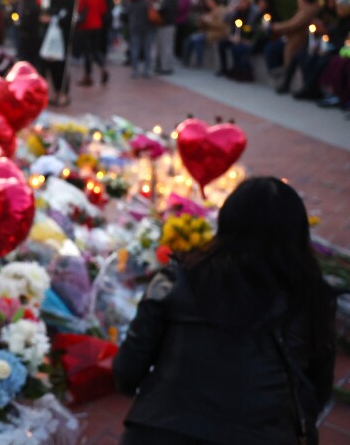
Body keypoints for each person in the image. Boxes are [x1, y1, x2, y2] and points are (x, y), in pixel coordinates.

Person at [114, 176, 336, 445]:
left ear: (226, 222)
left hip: (160, 432)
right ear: (299, 234)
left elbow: (126, 372)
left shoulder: (179, 279)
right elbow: (316, 391)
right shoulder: (313, 298)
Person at [272, 0, 321, 94]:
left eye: (300, 0)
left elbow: (294, 23)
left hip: (301, 39)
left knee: (292, 57)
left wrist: (277, 26)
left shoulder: (308, 11)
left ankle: (299, 86)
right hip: (296, 38)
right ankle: (287, 82)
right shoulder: (305, 10)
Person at [40, 0, 76, 106]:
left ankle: (63, 94)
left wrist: (54, 19)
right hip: (53, 38)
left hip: (63, 38)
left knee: (62, 68)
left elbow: (68, 18)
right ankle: (56, 92)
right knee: (53, 66)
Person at [216, 0, 260, 82]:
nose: (240, 3)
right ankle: (224, 68)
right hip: (235, 36)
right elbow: (225, 21)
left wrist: (242, 39)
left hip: (247, 38)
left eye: (242, 1)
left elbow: (251, 28)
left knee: (237, 48)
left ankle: (240, 71)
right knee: (221, 44)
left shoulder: (253, 12)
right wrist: (231, 11)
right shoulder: (236, 11)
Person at [76, 0, 109, 86]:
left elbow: (79, 7)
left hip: (86, 26)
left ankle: (88, 76)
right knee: (95, 50)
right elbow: (103, 10)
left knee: (87, 52)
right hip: (97, 25)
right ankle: (102, 68)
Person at [182, 0, 228, 67]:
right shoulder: (210, 11)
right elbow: (204, 26)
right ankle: (186, 61)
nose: (208, 4)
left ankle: (198, 62)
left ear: (214, 1)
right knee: (189, 39)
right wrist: (202, 20)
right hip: (207, 32)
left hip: (215, 33)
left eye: (209, 2)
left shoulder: (221, 11)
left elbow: (221, 25)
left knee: (196, 40)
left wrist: (208, 21)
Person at [125, 0, 155, 78]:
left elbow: (126, 12)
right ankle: (146, 70)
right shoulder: (145, 2)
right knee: (147, 49)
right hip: (146, 27)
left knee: (135, 49)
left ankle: (135, 70)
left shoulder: (131, 2)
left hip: (135, 27)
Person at [154, 0, 178, 74]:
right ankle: (161, 65)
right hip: (162, 23)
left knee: (166, 46)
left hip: (167, 23)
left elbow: (166, 8)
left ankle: (166, 67)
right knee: (161, 46)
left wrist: (157, 9)